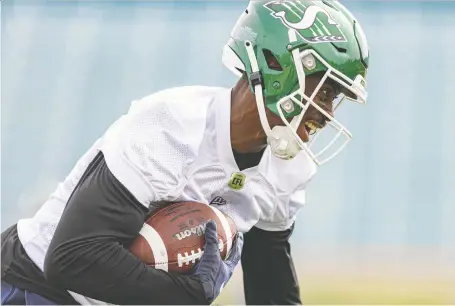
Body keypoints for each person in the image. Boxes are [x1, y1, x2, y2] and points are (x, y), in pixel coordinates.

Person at [1, 0, 370, 305]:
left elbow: (270, 283)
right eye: (323, 90)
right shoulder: (172, 127)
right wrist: (183, 297)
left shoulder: (288, 168)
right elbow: (72, 259)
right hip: (33, 287)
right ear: (277, 65)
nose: (328, 112)